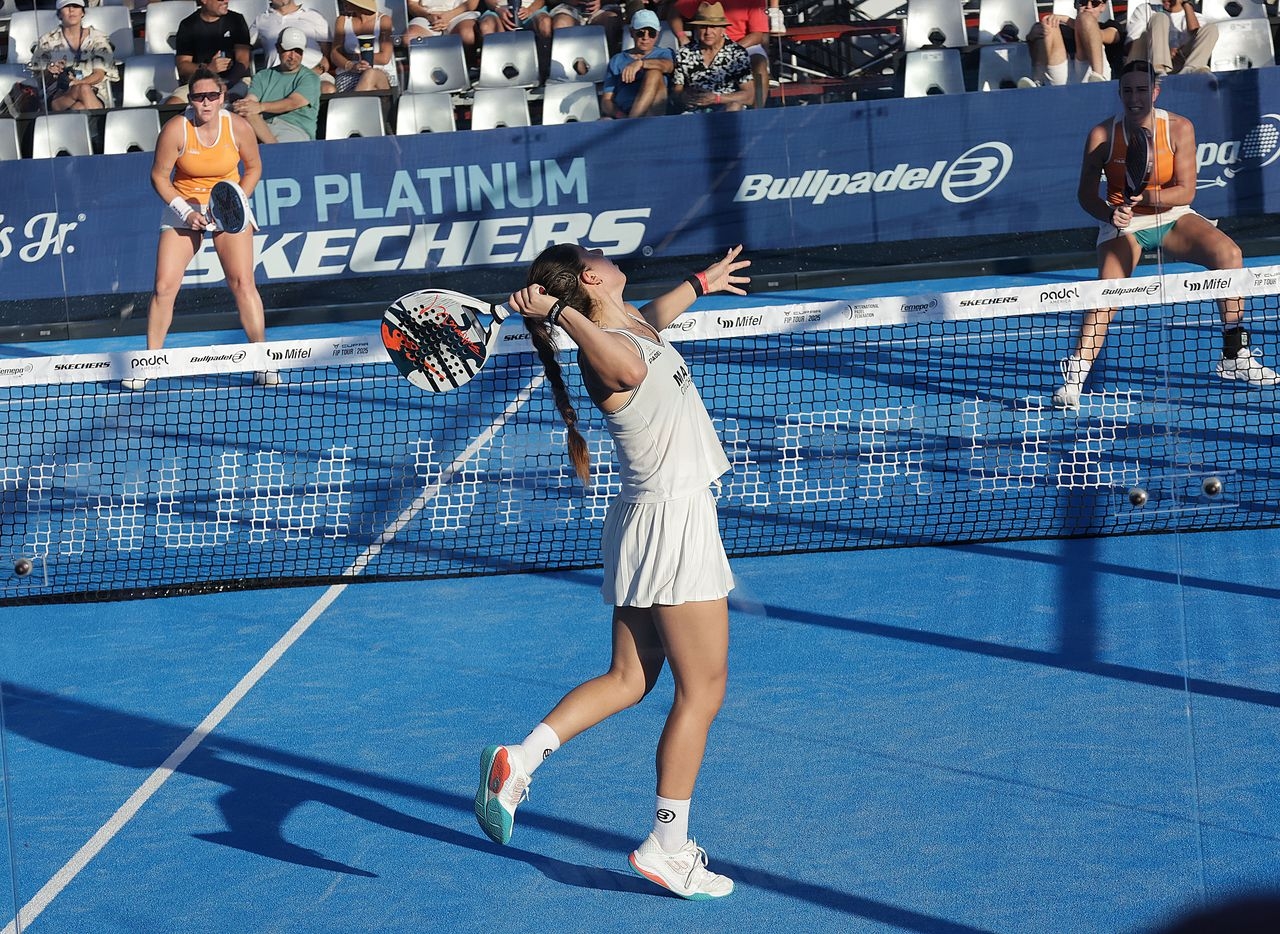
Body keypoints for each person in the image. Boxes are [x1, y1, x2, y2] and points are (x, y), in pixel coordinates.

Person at [474, 242, 751, 900]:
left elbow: (649, 320)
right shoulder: (604, 354)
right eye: (599, 255)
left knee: (630, 677)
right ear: (590, 278)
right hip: (673, 526)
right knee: (702, 692)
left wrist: (701, 283)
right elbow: (627, 362)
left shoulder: (624, 322)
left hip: (642, 521)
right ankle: (668, 845)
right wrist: (560, 312)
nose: (613, 254)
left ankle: (520, 762)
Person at [1052, 60, 1278, 408]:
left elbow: (1186, 192)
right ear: (1120, 93)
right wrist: (1111, 213)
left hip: (1172, 216)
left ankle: (1235, 355)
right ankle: (1075, 378)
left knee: (1229, 256)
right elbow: (1085, 195)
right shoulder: (1102, 136)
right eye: (1127, 90)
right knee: (1108, 291)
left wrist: (1147, 197)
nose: (1134, 97)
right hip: (1124, 226)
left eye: (1142, 90)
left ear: (1155, 92)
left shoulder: (1178, 128)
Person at [127, 69, 275, 391]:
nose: (205, 103)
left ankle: (262, 361)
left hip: (227, 207)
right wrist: (186, 211)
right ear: (190, 99)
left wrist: (232, 203)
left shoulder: (238, 127)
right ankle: (152, 363)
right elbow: (159, 178)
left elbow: (253, 168)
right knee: (164, 287)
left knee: (242, 282)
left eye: (212, 96)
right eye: (198, 96)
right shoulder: (175, 130)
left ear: (222, 97)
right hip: (185, 205)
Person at [669, 0, 769, 107]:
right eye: (703, 27)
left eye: (712, 27)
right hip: (704, 45)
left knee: (759, 62)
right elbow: (673, 12)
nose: (708, 30)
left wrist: (727, 50)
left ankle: (758, 110)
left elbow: (757, 35)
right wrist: (682, 36)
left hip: (745, 44)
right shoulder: (685, 52)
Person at [232, 26, 321, 143]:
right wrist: (243, 106)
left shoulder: (310, 78)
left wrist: (260, 107)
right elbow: (250, 101)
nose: (293, 56)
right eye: (288, 50)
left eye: (298, 51)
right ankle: (273, 148)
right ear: (278, 48)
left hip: (295, 129)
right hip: (261, 126)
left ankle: (273, 148)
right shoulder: (263, 75)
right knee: (245, 112)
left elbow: (293, 102)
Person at [29, 0, 117, 112]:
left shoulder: (97, 38)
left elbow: (98, 74)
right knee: (83, 89)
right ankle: (101, 126)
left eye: (76, 6)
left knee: (80, 104)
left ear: (83, 12)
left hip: (95, 93)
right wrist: (49, 70)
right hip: (59, 95)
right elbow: (37, 74)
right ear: (59, 14)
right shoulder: (47, 41)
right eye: (66, 7)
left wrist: (76, 83)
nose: (72, 10)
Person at [167, 0, 254, 104]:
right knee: (172, 104)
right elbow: (183, 66)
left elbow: (243, 60)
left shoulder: (236, 20)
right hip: (201, 81)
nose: (226, 1)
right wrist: (208, 69)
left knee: (232, 101)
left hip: (235, 80)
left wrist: (226, 83)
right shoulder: (188, 25)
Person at [1024, 0, 1123, 87]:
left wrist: (1069, 20)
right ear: (1076, 4)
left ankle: (1098, 77)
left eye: (1094, 3)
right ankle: (1038, 82)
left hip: (1090, 73)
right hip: (1062, 76)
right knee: (1047, 25)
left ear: (1102, 7)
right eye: (1083, 2)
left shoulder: (1109, 25)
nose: (1088, 6)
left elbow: (1112, 37)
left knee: (1085, 18)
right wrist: (1031, 37)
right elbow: (1033, 49)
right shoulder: (1061, 29)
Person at [601, 8, 673, 118]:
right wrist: (620, 115)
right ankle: (631, 122)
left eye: (651, 33)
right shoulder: (617, 60)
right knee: (603, 121)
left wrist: (640, 63)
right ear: (631, 32)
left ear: (658, 34)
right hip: (624, 114)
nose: (645, 37)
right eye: (640, 33)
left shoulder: (664, 53)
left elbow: (668, 66)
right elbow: (606, 100)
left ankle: (632, 122)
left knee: (654, 72)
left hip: (653, 111)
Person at [1125, 0, 1217, 77]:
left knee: (1211, 29)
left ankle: (1190, 70)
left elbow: (1196, 33)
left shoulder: (1195, 17)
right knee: (1160, 17)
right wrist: (1163, 50)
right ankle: (1159, 69)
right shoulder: (1145, 10)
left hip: (1182, 62)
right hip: (1150, 61)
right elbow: (1131, 45)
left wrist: (1187, 5)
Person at [252, 0, 333, 83]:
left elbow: (327, 56)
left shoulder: (314, 16)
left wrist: (311, 73)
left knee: (327, 88)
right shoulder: (261, 20)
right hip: (277, 79)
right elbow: (244, 47)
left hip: (314, 73)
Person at [331, 0, 397, 92]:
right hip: (349, 74)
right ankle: (359, 104)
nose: (343, 2)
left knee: (370, 74)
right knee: (370, 86)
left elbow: (384, 58)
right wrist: (352, 66)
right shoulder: (342, 20)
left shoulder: (383, 20)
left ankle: (353, 104)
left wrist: (353, 57)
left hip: (379, 73)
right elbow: (334, 54)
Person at [403, 0, 483, 67]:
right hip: (427, 16)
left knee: (467, 35)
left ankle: (467, 68)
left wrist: (449, 16)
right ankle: (429, 72)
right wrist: (428, 16)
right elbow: (412, 4)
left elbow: (472, 3)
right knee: (410, 40)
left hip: (460, 14)